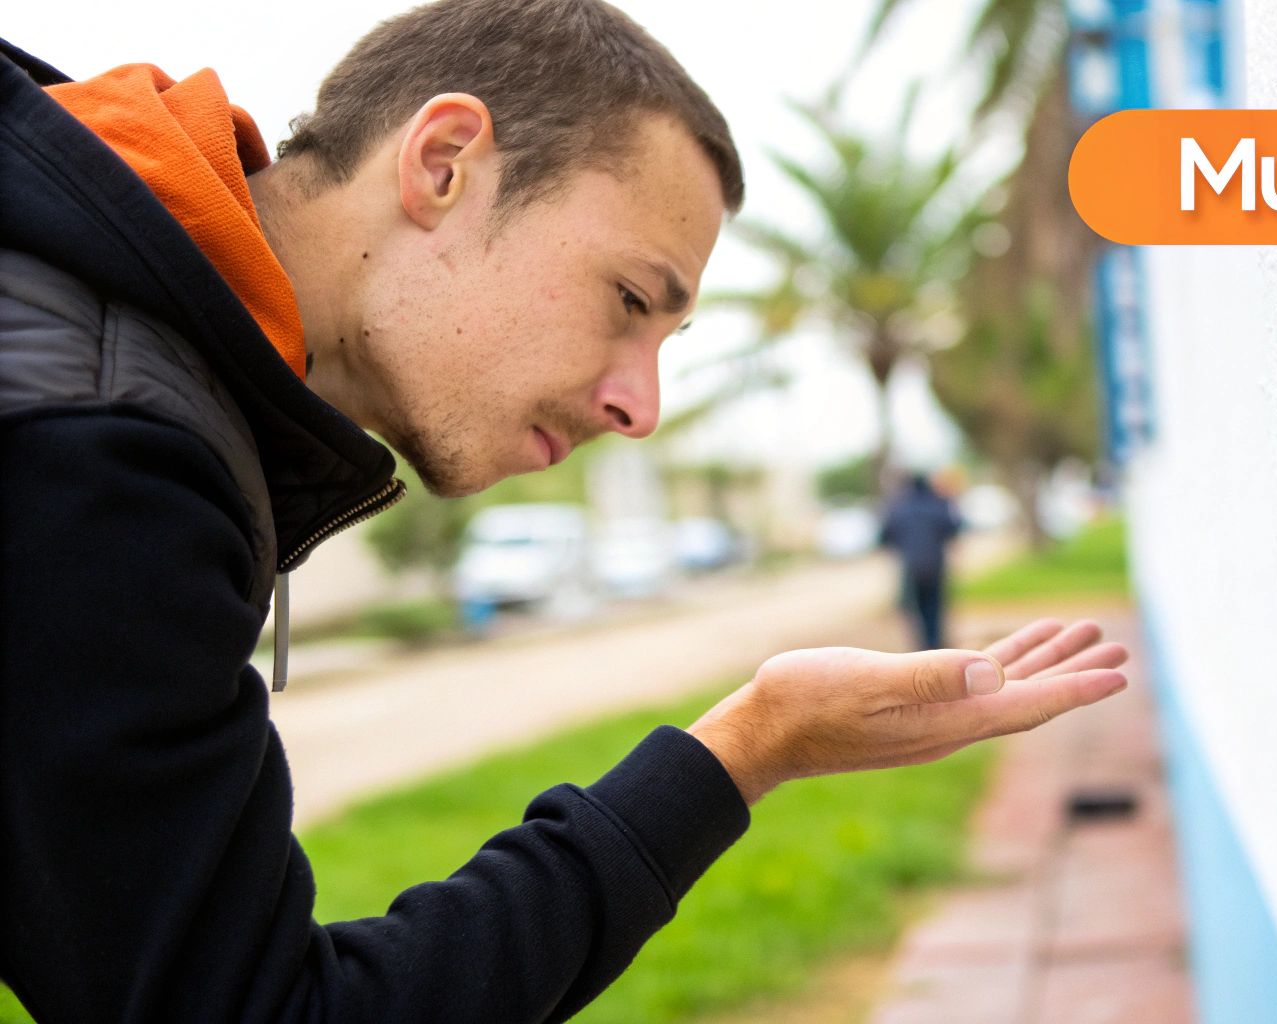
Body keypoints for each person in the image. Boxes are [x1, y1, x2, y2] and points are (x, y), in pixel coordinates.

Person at [0, 2, 1132, 1020]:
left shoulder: (81, 319)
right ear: (444, 164)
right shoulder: (106, 447)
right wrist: (743, 751)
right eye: (629, 300)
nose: (637, 406)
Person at [880, 473, 964, 649]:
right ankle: (935, 644)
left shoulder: (898, 508)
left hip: (911, 566)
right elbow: (954, 528)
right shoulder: (937, 504)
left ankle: (921, 647)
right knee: (934, 607)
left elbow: (885, 536)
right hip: (935, 565)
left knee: (913, 608)